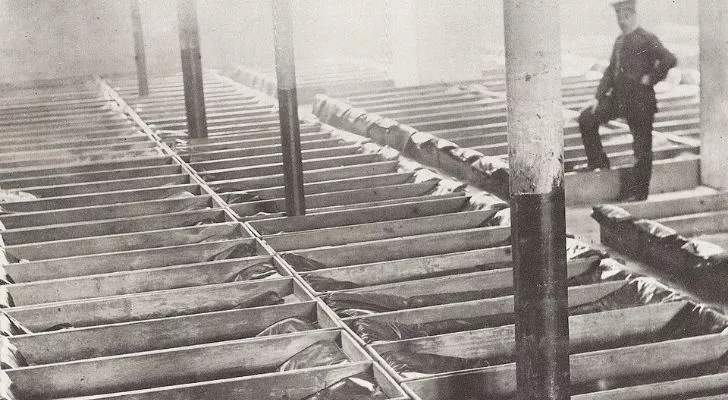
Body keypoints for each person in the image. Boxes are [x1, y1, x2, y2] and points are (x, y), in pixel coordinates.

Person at [578, 0, 677, 201]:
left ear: (633, 15)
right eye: (618, 16)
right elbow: (610, 71)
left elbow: (669, 59)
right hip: (619, 99)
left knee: (641, 148)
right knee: (587, 118)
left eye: (625, 16)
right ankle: (598, 162)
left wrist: (651, 77)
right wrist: (598, 97)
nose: (621, 20)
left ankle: (639, 193)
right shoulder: (619, 41)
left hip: (641, 101)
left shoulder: (647, 38)